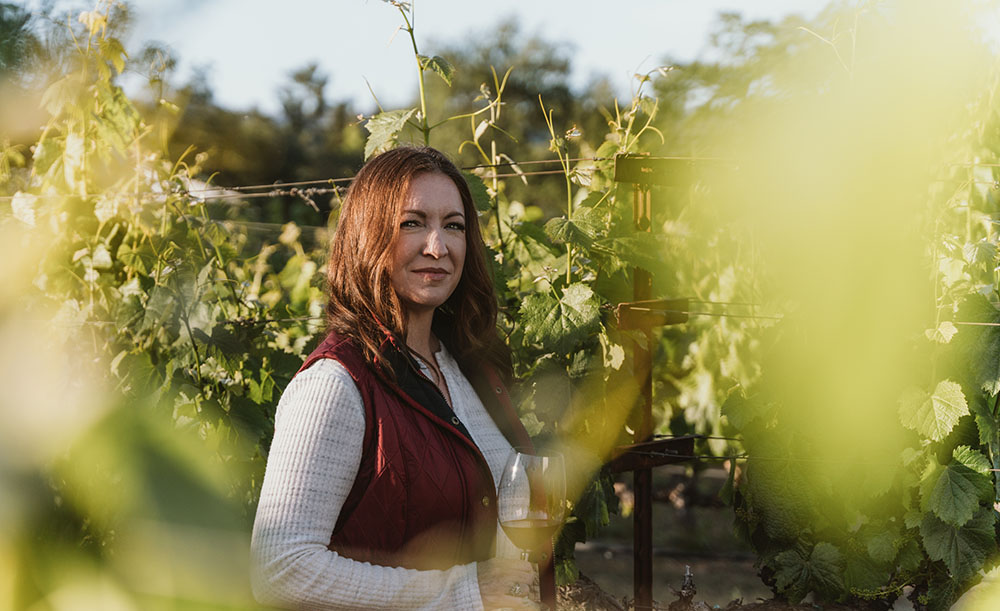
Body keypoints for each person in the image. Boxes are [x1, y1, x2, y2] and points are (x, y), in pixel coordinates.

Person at [251, 147, 547, 610]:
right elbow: (281, 568)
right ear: (369, 236)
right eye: (412, 223)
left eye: (454, 225)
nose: (438, 246)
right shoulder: (336, 383)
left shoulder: (464, 367)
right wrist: (461, 594)